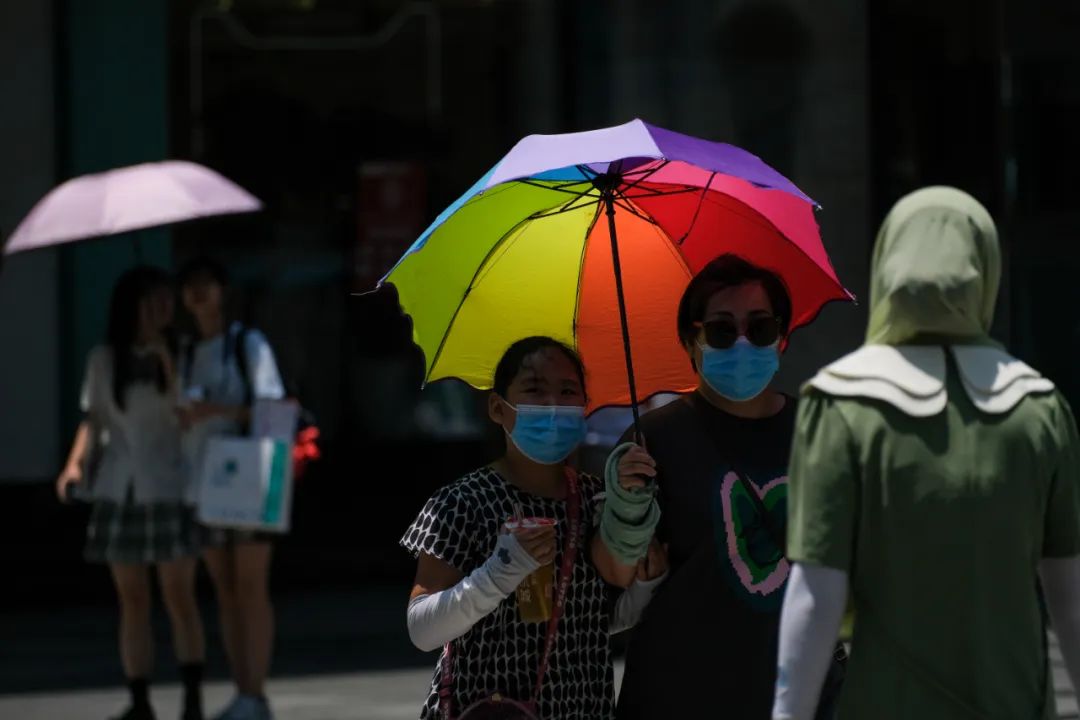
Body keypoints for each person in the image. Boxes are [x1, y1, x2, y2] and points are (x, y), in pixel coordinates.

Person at [772, 187, 1080, 719]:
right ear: (985, 270)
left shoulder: (840, 405)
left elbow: (815, 593)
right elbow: (1070, 598)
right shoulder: (1040, 410)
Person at [593, 254, 812, 719]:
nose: (742, 343)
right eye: (721, 330)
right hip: (673, 697)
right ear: (690, 342)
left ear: (783, 339)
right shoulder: (650, 442)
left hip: (793, 697)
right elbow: (614, 577)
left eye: (760, 328)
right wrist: (626, 510)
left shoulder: (821, 432)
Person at [402, 336, 667, 720]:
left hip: (581, 707)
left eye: (567, 391)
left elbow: (588, 621)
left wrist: (642, 590)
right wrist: (500, 572)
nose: (553, 405)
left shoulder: (597, 499)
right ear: (498, 408)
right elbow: (421, 630)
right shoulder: (462, 502)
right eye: (534, 390)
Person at [56, 266, 205, 720]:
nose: (162, 309)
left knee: (179, 595)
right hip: (120, 488)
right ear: (131, 307)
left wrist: (166, 361)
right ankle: (139, 700)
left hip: (168, 486)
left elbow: (187, 414)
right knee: (132, 599)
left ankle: (192, 700)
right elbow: (94, 419)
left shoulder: (181, 352)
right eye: (152, 301)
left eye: (166, 300)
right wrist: (74, 464)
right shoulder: (105, 359)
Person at [176, 257, 286, 720]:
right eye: (190, 285)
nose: (198, 294)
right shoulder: (182, 351)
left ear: (223, 290)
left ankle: (255, 694)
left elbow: (273, 405)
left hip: (250, 480)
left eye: (207, 284)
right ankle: (242, 689)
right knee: (223, 590)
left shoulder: (247, 343)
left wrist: (214, 411)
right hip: (203, 485)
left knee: (251, 586)